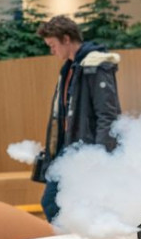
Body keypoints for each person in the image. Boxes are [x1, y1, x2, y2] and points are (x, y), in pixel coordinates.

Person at [37, 15, 122, 222]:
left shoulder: (95, 65)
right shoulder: (70, 67)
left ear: (66, 39)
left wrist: (101, 156)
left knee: (53, 203)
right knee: (56, 203)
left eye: (53, 45)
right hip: (70, 147)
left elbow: (107, 115)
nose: (52, 51)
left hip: (87, 149)